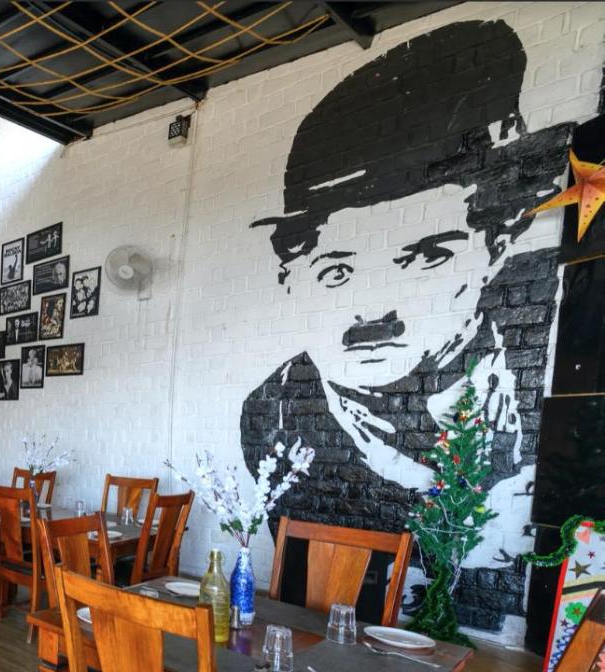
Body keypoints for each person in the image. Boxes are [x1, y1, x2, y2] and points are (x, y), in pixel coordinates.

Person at [241, 19, 571, 633]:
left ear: (496, 248)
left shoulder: (558, 328)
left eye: (428, 257)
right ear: (292, 276)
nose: (372, 315)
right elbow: (308, 606)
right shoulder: (276, 410)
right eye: (337, 271)